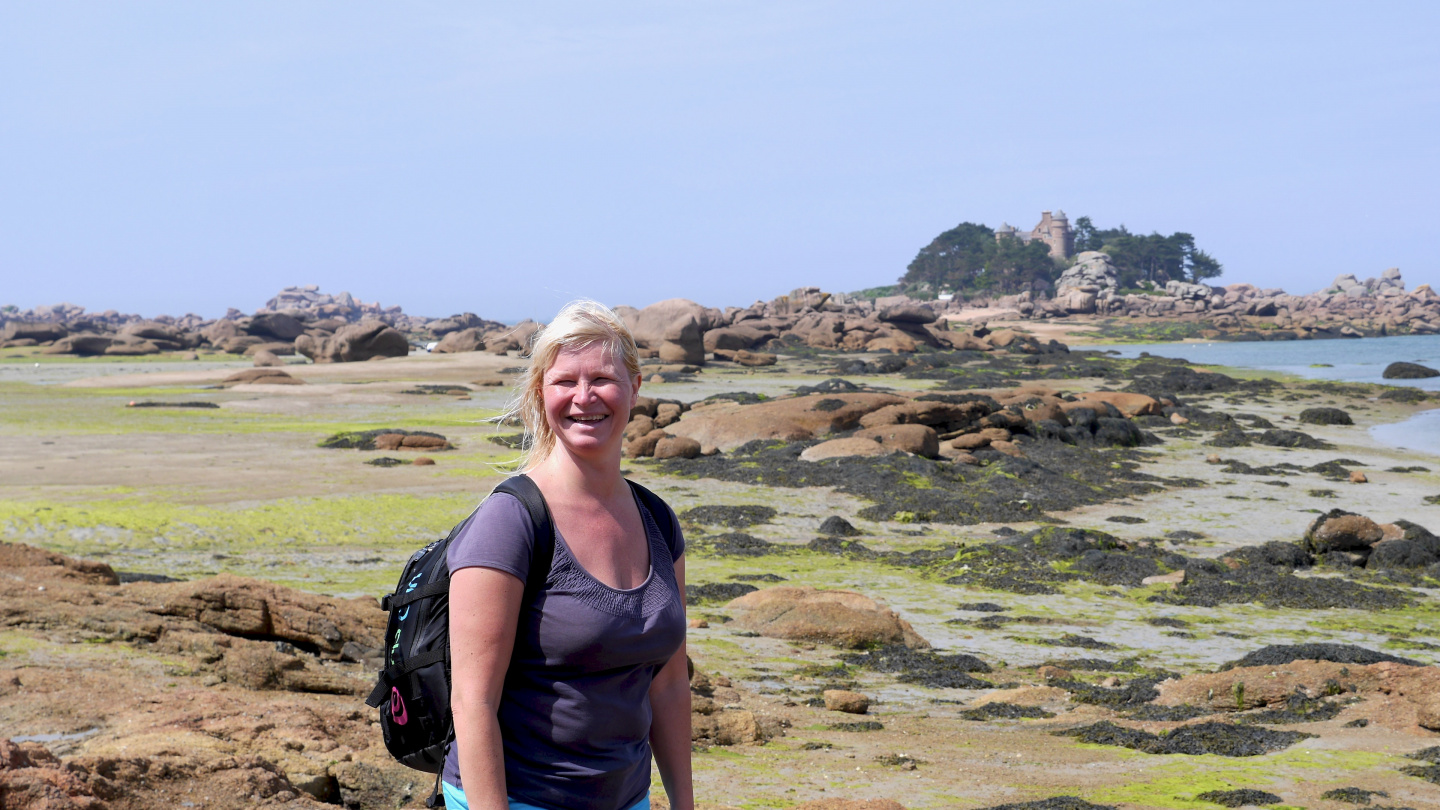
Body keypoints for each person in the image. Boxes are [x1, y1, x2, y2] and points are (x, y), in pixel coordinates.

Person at [444, 300, 693, 810]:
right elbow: (473, 702)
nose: (584, 398)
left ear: (635, 387)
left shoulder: (659, 522)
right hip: (520, 798)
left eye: (602, 377)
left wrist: (684, 805)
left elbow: (667, 685)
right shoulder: (509, 522)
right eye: (564, 382)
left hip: (629, 799)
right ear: (541, 392)